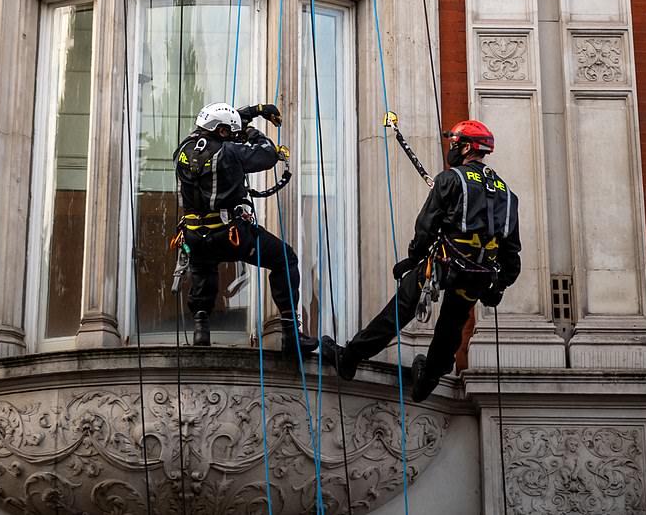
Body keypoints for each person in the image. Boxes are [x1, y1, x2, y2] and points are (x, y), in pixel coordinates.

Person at [321, 120, 520, 400]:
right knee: (453, 322)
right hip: (477, 275)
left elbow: (426, 226)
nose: (451, 148)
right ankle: (428, 379)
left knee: (402, 307)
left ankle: (351, 357)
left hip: (445, 263)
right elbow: (511, 253)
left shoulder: (450, 180)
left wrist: (413, 258)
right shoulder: (507, 194)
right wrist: (498, 287)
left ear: (465, 148)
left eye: (454, 144)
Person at [173, 100, 318, 358]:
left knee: (203, 267)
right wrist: (251, 132)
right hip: (230, 235)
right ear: (221, 131)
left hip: (194, 237)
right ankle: (290, 334)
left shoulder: (184, 149)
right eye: (229, 132)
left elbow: (221, 127)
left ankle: (201, 330)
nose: (233, 135)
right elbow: (267, 154)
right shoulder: (229, 152)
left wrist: (254, 112)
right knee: (285, 258)